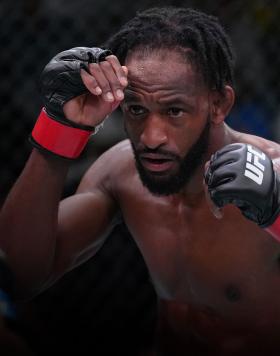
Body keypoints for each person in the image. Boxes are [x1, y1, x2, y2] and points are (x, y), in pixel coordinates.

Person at [0, 6, 280, 356]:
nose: (151, 137)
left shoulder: (272, 174)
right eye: (136, 110)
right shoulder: (122, 173)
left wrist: (277, 215)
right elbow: (20, 273)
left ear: (218, 104)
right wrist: (59, 131)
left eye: (174, 111)